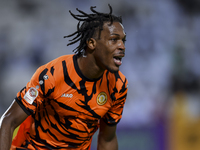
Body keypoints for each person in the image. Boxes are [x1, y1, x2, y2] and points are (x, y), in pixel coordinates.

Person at [0, 4, 128, 150]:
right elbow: (8, 121)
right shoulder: (52, 75)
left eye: (123, 41)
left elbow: (107, 139)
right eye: (114, 40)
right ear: (92, 43)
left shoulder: (118, 85)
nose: (122, 46)